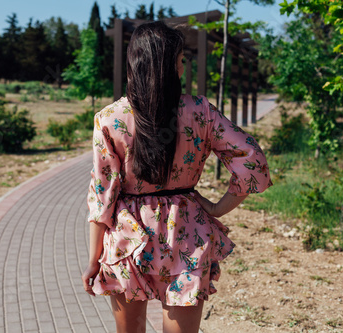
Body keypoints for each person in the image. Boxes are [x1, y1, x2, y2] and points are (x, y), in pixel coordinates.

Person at [82, 21, 272, 333]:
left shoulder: (110, 119)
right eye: (181, 60)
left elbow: (101, 194)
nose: (183, 67)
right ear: (169, 64)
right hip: (187, 229)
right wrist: (218, 208)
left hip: (129, 236)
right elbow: (250, 157)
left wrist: (93, 258)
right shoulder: (200, 111)